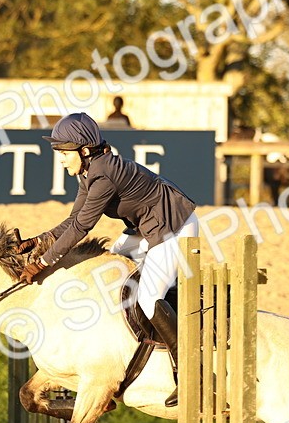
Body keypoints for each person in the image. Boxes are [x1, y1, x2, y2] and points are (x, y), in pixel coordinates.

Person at [16, 113, 198, 407]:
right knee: (111, 268)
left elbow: (82, 228)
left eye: (64, 153)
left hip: (174, 225)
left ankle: (192, 373)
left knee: (150, 297)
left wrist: (44, 262)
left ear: (84, 151)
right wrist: (39, 240)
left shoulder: (103, 175)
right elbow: (73, 219)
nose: (61, 159)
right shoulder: (89, 172)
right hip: (146, 228)